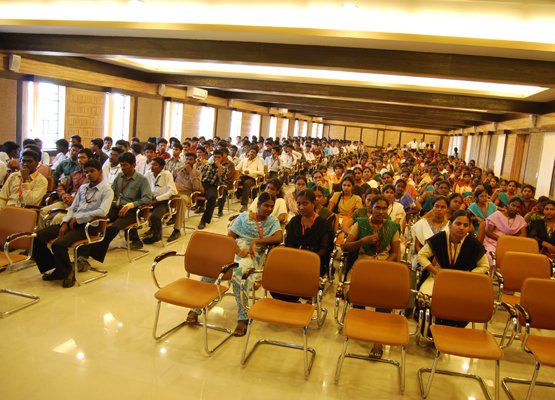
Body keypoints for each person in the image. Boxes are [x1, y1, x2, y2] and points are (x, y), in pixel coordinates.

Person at [185, 192, 283, 337]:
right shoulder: (244, 217)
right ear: (258, 205)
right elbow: (230, 236)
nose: (269, 209)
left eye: (271, 206)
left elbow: (279, 237)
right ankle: (197, 307)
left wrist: (257, 241)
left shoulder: (272, 220)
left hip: (255, 253)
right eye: (266, 205)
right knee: (215, 267)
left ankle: (243, 316)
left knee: (239, 274)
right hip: (235, 248)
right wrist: (237, 250)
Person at [32, 159, 114, 288]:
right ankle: (58, 268)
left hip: (89, 226)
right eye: (86, 172)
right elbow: (72, 208)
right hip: (72, 223)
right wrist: (65, 222)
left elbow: (102, 211)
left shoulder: (107, 190)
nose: (89, 174)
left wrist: (79, 218)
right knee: (36, 237)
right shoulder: (83, 188)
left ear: (100, 172)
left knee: (59, 245)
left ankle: (68, 272)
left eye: (92, 171)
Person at [416, 210, 489, 325]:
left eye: (465, 225)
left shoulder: (472, 242)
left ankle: (454, 330)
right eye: (458, 224)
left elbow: (484, 266)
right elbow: (421, 255)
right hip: (438, 278)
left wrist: (467, 275)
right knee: (425, 297)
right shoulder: (440, 238)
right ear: (450, 224)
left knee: (465, 301)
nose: (461, 228)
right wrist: (435, 271)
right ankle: (429, 331)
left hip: (461, 280)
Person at [79, 152, 152, 263]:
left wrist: (130, 205)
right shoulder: (119, 176)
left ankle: (91, 255)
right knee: (97, 220)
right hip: (117, 207)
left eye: (125, 165)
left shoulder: (142, 180)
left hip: (132, 211)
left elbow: (147, 199)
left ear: (133, 165)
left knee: (113, 228)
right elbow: (111, 191)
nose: (122, 168)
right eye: (121, 165)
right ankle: (83, 253)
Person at [271, 189, 333, 303]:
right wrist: (295, 258)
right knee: (276, 284)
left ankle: (299, 298)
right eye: (299, 203)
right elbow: (289, 243)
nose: (301, 207)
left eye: (305, 203)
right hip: (294, 259)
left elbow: (325, 249)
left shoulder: (323, 225)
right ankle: (293, 301)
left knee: (297, 280)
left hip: (314, 261)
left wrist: (308, 260)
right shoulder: (295, 221)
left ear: (313, 203)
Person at [39, 148, 92, 227]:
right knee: (41, 212)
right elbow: (61, 186)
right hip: (66, 201)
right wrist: (64, 195)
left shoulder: (93, 176)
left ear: (90, 159)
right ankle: (41, 236)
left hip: (78, 206)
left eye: (83, 158)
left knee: (58, 218)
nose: (80, 160)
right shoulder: (75, 174)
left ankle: (53, 238)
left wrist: (74, 200)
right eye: (78, 158)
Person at [342, 195, 401, 263]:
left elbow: (394, 253)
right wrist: (362, 241)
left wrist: (383, 265)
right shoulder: (360, 223)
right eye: (377, 208)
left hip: (384, 263)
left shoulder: (392, 226)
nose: (381, 212)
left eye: (384, 208)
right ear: (371, 209)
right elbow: (345, 247)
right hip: (363, 263)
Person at [143, 157, 178, 244]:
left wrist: (158, 199)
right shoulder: (148, 174)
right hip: (151, 200)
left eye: (155, 165)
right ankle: (136, 237)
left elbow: (173, 191)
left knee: (155, 216)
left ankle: (157, 235)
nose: (152, 167)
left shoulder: (167, 174)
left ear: (162, 167)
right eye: (152, 164)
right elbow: (142, 187)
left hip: (164, 201)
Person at [483, 196, 527, 264]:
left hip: (511, 243)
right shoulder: (497, 215)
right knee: (491, 257)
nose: (515, 208)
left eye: (518, 207)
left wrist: (512, 240)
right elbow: (488, 232)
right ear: (508, 205)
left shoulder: (520, 219)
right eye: (513, 205)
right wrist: (503, 239)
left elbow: (524, 234)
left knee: (516, 259)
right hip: (493, 242)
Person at [170, 152, 202, 242]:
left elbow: (197, 187)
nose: (188, 161)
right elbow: (170, 182)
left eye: (190, 159)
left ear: (194, 161)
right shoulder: (178, 170)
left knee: (181, 199)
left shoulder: (197, 173)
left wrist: (191, 172)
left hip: (187, 194)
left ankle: (177, 229)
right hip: (175, 192)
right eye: (186, 159)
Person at [411, 196, 449, 268]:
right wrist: (426, 261)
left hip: (442, 262)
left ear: (447, 209)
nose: (439, 209)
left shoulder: (450, 226)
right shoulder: (422, 223)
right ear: (432, 208)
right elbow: (417, 247)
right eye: (436, 206)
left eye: (443, 207)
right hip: (422, 260)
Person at [197, 150, 227, 230]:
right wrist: (200, 185)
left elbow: (221, 180)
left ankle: (204, 220)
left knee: (212, 197)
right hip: (202, 184)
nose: (216, 158)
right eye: (215, 156)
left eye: (218, 157)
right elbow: (199, 176)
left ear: (222, 158)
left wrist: (219, 167)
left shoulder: (223, 168)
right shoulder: (207, 165)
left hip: (212, 186)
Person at [236, 146, 264, 211]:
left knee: (246, 183)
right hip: (243, 177)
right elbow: (237, 168)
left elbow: (262, 172)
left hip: (252, 178)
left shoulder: (258, 161)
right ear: (248, 152)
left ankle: (244, 205)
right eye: (251, 152)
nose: (252, 153)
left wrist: (250, 172)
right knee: (234, 181)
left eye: (254, 152)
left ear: (256, 154)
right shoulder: (244, 160)